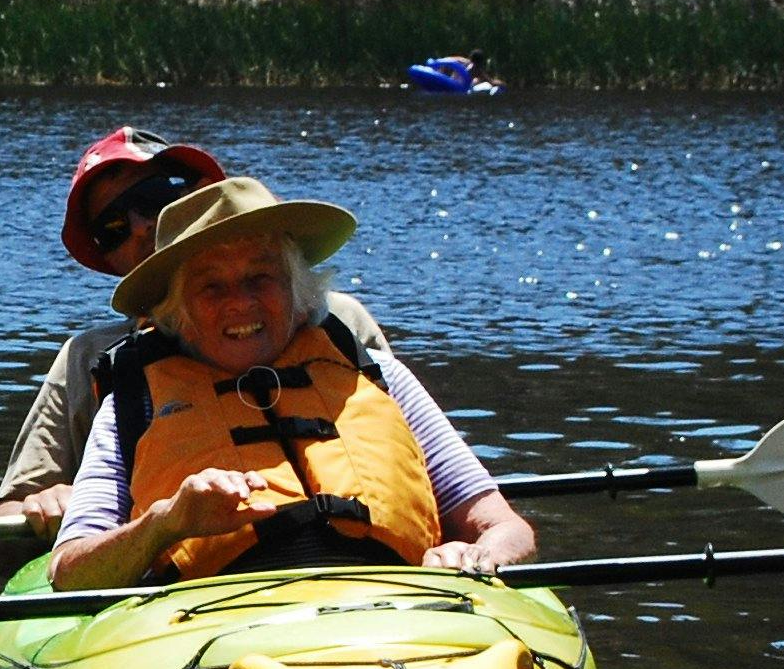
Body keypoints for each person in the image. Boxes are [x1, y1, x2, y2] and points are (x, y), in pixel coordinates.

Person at [48, 176, 535, 590]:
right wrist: (166, 522)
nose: (240, 303)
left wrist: (481, 556)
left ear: (298, 291)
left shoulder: (379, 376)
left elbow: (505, 526)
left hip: (395, 608)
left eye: (261, 278)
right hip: (218, 632)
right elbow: (69, 571)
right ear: (179, 313)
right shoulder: (135, 402)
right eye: (212, 286)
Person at [0, 128, 395, 530]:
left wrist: (458, 541)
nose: (139, 227)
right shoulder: (91, 358)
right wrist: (42, 502)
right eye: (112, 228)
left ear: (205, 191)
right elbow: (5, 522)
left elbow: (416, 459)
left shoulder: (340, 323)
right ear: (108, 258)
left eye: (153, 200)